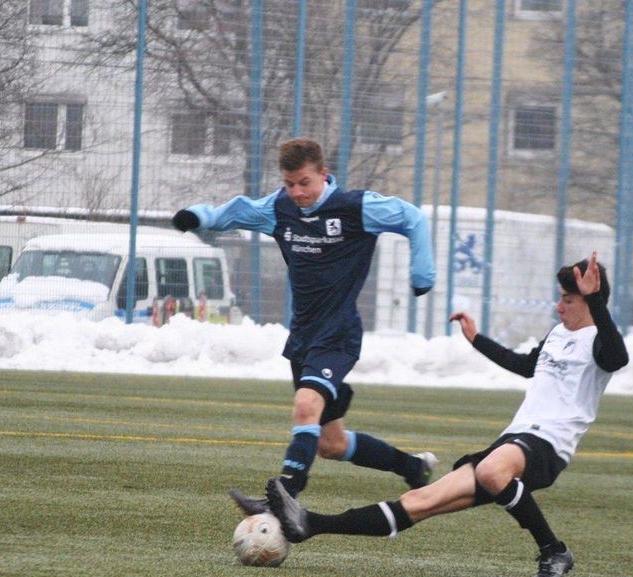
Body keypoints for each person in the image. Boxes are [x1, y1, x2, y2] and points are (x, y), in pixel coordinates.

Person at [264, 252, 629, 577]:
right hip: (515, 437)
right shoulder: (558, 334)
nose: (559, 307)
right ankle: (311, 525)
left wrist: (596, 301)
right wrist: (477, 339)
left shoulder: (600, 339)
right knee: (419, 501)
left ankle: (553, 550)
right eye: (561, 298)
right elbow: (525, 366)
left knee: (491, 472)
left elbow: (618, 358)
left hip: (550, 443)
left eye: (568, 300)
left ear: (591, 300)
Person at [171, 137, 439, 513]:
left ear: (324, 175)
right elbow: (236, 212)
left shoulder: (355, 207)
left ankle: (282, 498)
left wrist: (422, 273)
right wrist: (198, 217)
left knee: (305, 406)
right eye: (289, 184)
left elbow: (413, 218)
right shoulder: (280, 209)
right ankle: (412, 466)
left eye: (304, 183)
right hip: (304, 335)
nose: (297, 192)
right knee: (331, 444)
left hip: (339, 333)